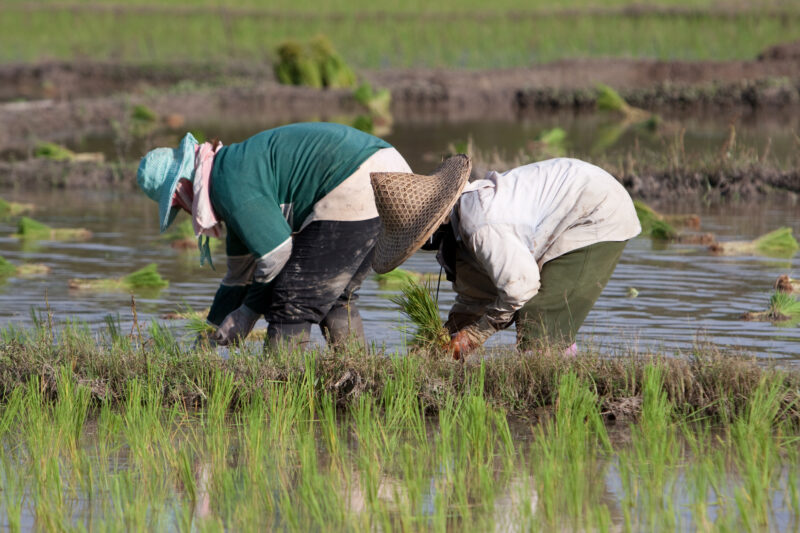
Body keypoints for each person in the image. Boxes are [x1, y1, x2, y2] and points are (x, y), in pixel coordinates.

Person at [137, 122, 412, 348]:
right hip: (390, 174)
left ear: (181, 189)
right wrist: (207, 338)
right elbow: (237, 278)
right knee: (335, 295)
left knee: (291, 298)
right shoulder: (226, 171)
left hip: (360, 180)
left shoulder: (229, 183)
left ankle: (278, 398)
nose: (184, 212)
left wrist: (247, 314)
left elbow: (276, 254)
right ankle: (358, 378)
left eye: (176, 207)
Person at [370, 155, 641, 359]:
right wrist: (447, 335)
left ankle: (556, 400)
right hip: (573, 201)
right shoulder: (461, 225)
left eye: (418, 240)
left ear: (433, 225)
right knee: (533, 317)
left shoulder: (481, 225)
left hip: (595, 209)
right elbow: (478, 294)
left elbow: (520, 288)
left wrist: (477, 334)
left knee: (539, 320)